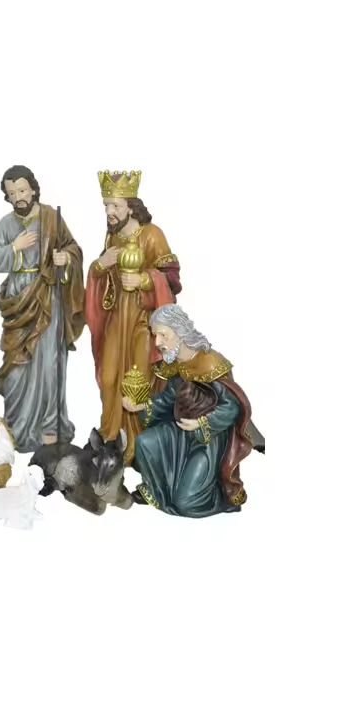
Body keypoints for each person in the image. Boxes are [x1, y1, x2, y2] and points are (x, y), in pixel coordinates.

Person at [122, 304, 260, 517]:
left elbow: (231, 407)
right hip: (181, 432)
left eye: (163, 335)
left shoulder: (210, 363)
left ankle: (220, 495)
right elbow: (168, 400)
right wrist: (142, 406)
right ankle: (158, 492)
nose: (157, 343)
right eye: (155, 335)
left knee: (186, 502)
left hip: (208, 440)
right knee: (145, 442)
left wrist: (201, 423)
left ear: (180, 332)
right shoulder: (177, 364)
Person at [0, 165, 85, 453]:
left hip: (48, 297)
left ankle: (50, 428)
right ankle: (17, 427)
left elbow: (74, 249)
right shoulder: (6, 224)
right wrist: (14, 248)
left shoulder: (52, 218)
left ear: (33, 189)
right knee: (16, 368)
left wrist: (65, 258)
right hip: (19, 300)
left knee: (50, 363)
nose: (18, 196)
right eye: (12, 192)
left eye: (22, 190)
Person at [85, 170, 181, 465]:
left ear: (131, 206)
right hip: (117, 319)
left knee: (137, 381)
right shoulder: (112, 236)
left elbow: (173, 279)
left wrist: (144, 280)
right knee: (109, 377)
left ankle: (138, 445)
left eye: (115, 206)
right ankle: (110, 437)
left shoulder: (152, 235)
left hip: (143, 322)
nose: (109, 212)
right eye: (106, 206)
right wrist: (99, 266)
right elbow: (103, 279)